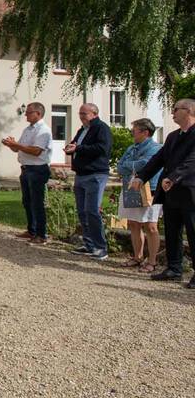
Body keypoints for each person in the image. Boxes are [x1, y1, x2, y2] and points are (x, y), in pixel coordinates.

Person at [131, 99, 195, 287]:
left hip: (190, 191)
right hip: (171, 192)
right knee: (172, 231)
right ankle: (174, 268)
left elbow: (192, 161)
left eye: (176, 109)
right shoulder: (173, 136)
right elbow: (159, 159)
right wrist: (142, 177)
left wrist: (174, 177)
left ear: (189, 111)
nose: (172, 112)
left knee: (193, 232)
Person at [65, 103, 113, 260]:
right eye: (80, 113)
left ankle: (101, 247)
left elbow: (102, 148)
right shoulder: (83, 130)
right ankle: (89, 244)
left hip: (95, 174)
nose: (81, 116)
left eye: (84, 113)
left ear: (94, 114)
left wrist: (78, 149)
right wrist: (70, 147)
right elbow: (76, 144)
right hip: (81, 174)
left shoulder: (101, 128)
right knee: (82, 211)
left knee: (92, 211)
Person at [1, 102, 53, 244]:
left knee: (37, 202)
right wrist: (12, 144)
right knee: (27, 201)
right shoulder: (28, 129)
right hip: (26, 168)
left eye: (29, 112)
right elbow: (19, 149)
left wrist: (16, 145)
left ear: (38, 114)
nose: (26, 114)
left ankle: (41, 234)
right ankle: (32, 230)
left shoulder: (43, 130)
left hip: (37, 169)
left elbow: (36, 151)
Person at [117, 118, 162, 273]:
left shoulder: (155, 148)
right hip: (131, 187)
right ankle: (137, 257)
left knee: (150, 225)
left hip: (150, 189)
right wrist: (130, 166)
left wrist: (128, 166)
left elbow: (146, 164)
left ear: (145, 132)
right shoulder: (131, 148)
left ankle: (152, 261)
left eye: (134, 130)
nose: (131, 133)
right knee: (133, 223)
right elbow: (119, 166)